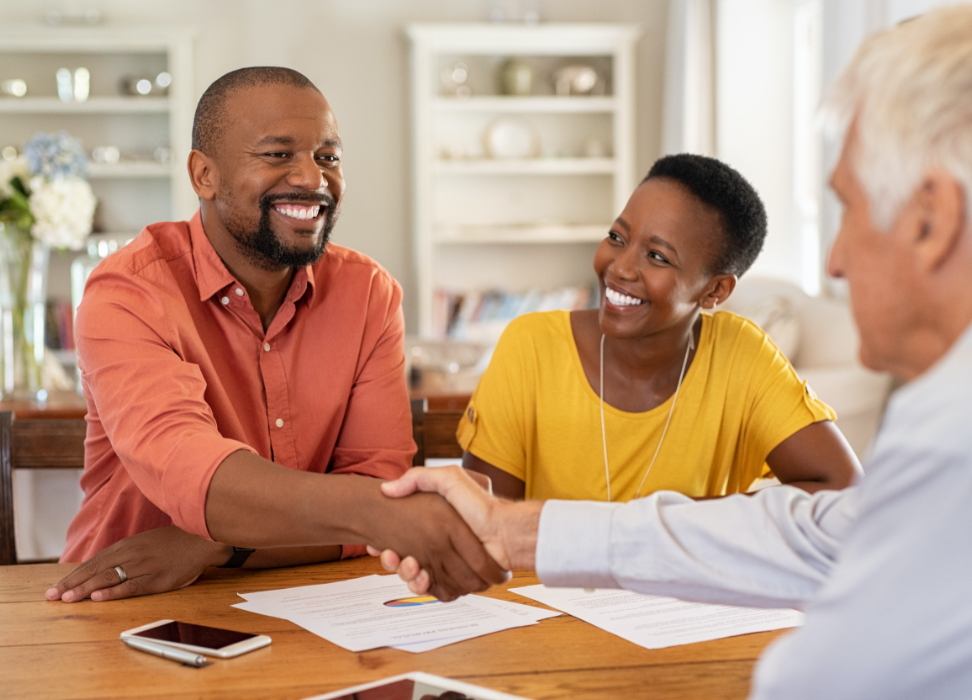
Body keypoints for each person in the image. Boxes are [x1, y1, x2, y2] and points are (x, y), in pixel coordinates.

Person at [375, 7, 972, 698]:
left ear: (930, 220)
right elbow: (827, 530)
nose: (833, 260)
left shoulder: (943, 436)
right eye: (620, 237)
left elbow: (830, 649)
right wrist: (515, 533)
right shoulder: (941, 423)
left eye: (849, 208)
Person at [45, 67, 506, 604]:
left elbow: (377, 483)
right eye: (277, 154)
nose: (312, 179)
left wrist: (218, 548)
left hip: (307, 597)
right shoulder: (130, 292)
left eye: (327, 157)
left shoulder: (369, 295)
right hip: (124, 600)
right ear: (204, 175)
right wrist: (385, 515)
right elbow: (198, 478)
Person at [460, 154, 860, 502]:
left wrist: (666, 523)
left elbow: (843, 488)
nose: (620, 267)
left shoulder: (743, 355)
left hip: (682, 592)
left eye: (657, 256)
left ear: (715, 290)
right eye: (617, 237)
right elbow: (483, 525)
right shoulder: (532, 345)